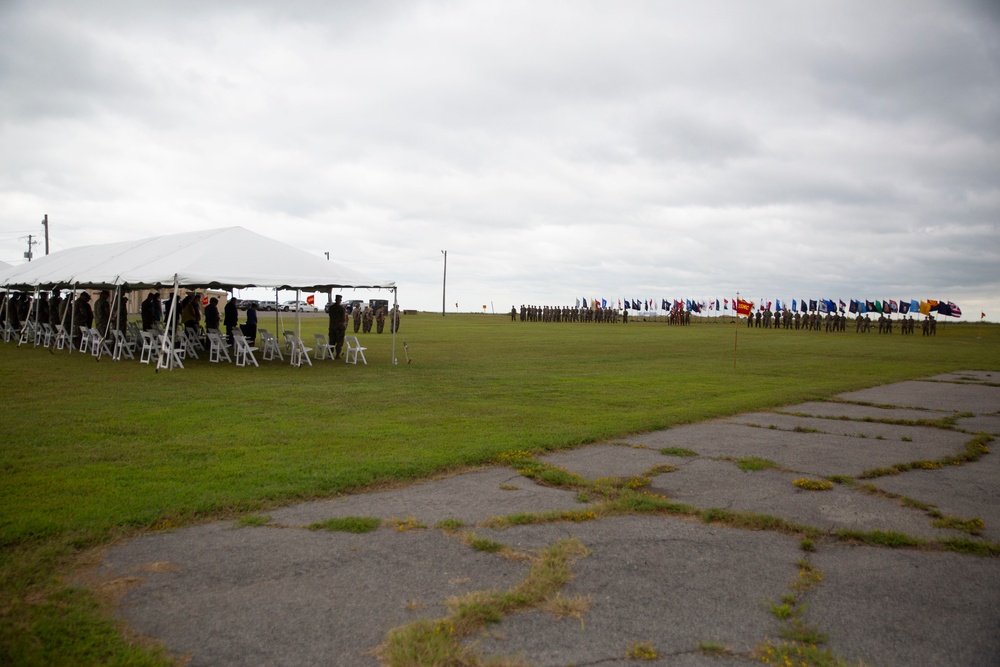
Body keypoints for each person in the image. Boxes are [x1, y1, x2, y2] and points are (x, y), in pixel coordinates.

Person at [327, 294, 347, 358]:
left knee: (331, 341)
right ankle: (337, 354)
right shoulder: (341, 308)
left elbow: (330, 315)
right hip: (339, 327)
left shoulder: (331, 307)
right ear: (340, 300)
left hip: (332, 326)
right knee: (339, 341)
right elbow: (343, 318)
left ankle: (330, 354)